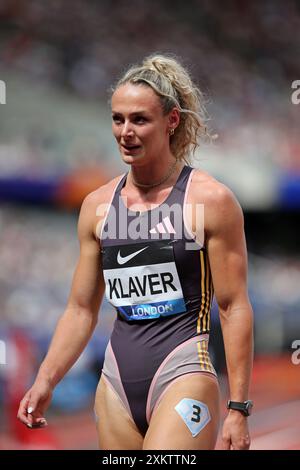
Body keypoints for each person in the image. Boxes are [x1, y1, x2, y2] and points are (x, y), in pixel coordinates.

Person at [17, 54, 254, 450]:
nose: (125, 132)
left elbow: (233, 307)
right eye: (118, 119)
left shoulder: (210, 200)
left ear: (171, 121)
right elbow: (80, 309)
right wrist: (45, 379)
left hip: (183, 370)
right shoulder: (96, 206)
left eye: (139, 120)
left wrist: (239, 407)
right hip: (115, 381)